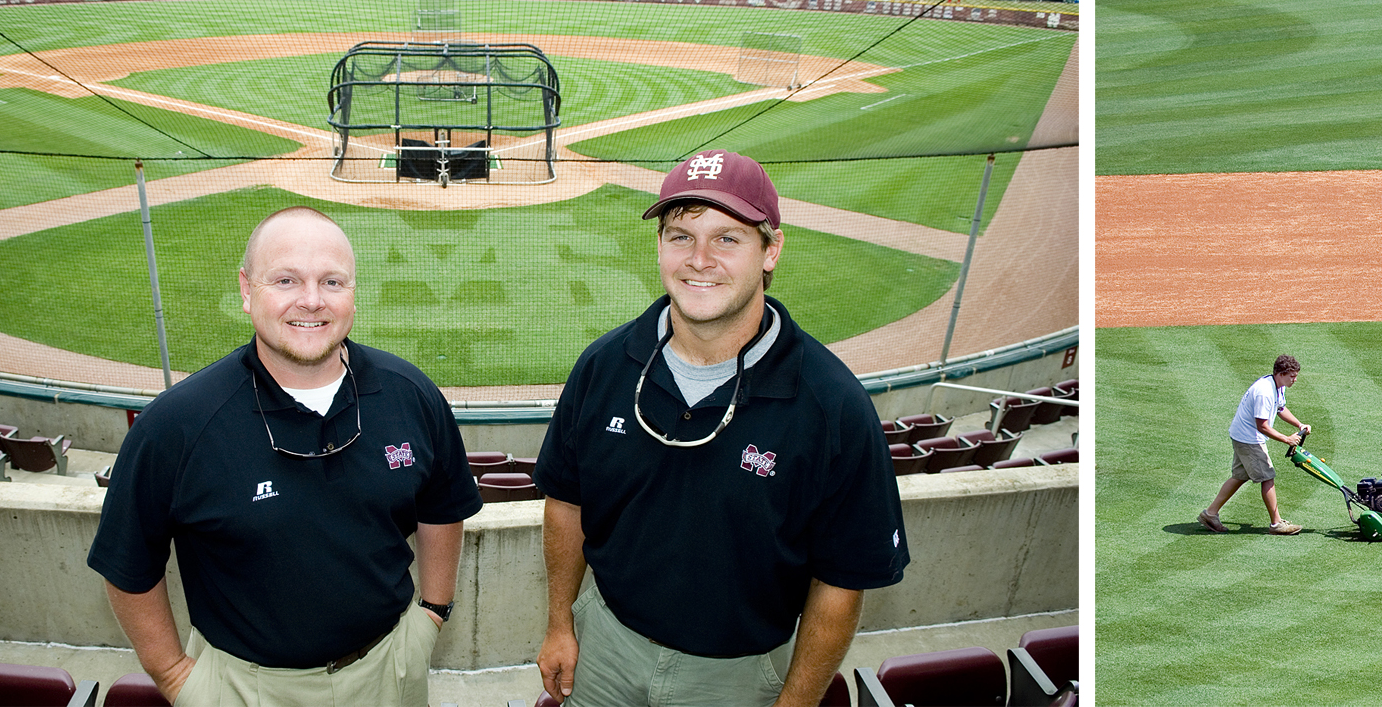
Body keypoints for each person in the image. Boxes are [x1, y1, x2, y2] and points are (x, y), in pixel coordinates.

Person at [533, 149, 911, 707]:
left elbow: (841, 581)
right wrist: (561, 622)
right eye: (680, 235)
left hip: (736, 676)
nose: (699, 259)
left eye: (728, 238)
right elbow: (567, 503)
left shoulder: (834, 406)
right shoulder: (605, 364)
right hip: (604, 649)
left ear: (771, 250)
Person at [89, 207, 482, 706]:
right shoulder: (175, 424)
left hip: (389, 671)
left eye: (332, 282)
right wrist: (173, 675)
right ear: (247, 289)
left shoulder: (410, 394)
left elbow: (442, 508)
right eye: (286, 280)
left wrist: (432, 612)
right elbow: (128, 565)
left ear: (354, 293)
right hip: (244, 689)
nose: (312, 301)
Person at [1200, 355, 1311, 536]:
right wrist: (1287, 439)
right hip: (1249, 439)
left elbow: (1281, 409)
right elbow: (1263, 426)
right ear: (1281, 374)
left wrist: (1299, 425)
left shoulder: (1277, 386)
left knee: (1240, 476)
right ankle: (1276, 524)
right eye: (1292, 376)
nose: (1295, 380)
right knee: (1267, 477)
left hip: (1241, 434)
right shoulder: (1264, 392)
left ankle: (1210, 514)